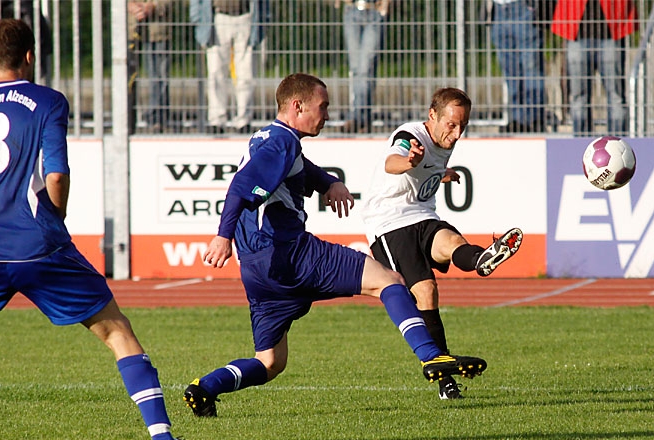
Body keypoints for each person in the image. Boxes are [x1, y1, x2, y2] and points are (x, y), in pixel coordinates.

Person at [0, 19, 201, 440]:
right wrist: (55, 215)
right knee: (116, 331)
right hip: (39, 245)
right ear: (30, 55)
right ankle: (163, 439)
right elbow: (56, 175)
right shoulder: (47, 101)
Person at [182, 74, 487, 417]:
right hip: (290, 253)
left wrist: (329, 182)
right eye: (323, 106)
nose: (327, 115)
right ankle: (432, 357)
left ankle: (205, 388)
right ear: (297, 106)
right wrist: (222, 236)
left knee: (270, 362)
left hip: (257, 269)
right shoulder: (281, 143)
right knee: (388, 281)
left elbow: (299, 168)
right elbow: (240, 187)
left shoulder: (270, 138)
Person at [361, 87, 523, 400]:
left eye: (463, 125)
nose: (457, 133)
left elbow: (427, 167)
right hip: (390, 223)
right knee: (426, 292)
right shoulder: (410, 135)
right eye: (451, 124)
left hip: (423, 215)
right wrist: (409, 161)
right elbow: (392, 161)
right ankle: (445, 381)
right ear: (432, 115)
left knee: (452, 242)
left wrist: (440, 172)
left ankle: (480, 259)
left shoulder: (445, 141)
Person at [551, 0, 636, 136]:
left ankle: (617, 142)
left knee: (616, 96)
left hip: (611, 30)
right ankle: (581, 143)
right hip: (577, 32)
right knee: (579, 97)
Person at [190, 0, 268, 134]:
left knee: (246, 74)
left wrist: (264, 18)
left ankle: (244, 120)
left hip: (245, 16)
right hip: (218, 17)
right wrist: (197, 18)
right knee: (216, 73)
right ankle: (216, 120)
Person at [488, 0, 546, 133]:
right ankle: (517, 120)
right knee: (511, 73)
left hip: (523, 7)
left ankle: (535, 119)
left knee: (532, 69)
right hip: (498, 9)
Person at [335, 0, 391, 134]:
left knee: (365, 69)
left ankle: (359, 117)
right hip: (352, 10)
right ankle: (361, 118)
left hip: (374, 11)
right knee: (356, 70)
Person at [128, 1, 175, 134]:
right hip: (131, 30)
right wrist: (129, 5)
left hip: (158, 31)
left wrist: (152, 6)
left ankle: (158, 120)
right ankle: (128, 121)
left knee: (159, 77)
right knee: (128, 78)